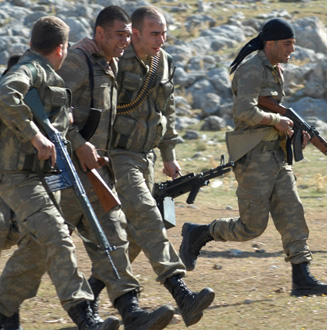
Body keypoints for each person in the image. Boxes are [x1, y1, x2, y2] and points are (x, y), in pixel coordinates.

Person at [73, 6, 215, 327]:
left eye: (164, 33)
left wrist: (169, 153)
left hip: (146, 155)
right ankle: (181, 292)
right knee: (148, 217)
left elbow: (168, 108)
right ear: (134, 33)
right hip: (118, 156)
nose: (161, 40)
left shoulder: (162, 61)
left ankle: (90, 296)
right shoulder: (115, 59)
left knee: (137, 234)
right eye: (154, 33)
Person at [179, 18, 327, 297]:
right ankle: (199, 233)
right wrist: (277, 120)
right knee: (251, 227)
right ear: (270, 43)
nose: (292, 49)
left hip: (276, 155)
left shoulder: (275, 69)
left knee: (293, 214)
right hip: (253, 157)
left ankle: (302, 278)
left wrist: (293, 135)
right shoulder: (252, 69)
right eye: (287, 44)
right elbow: (244, 112)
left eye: (293, 44)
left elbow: (273, 118)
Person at [57, 6, 174, 329]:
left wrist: (169, 152)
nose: (125, 41)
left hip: (102, 169)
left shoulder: (125, 63)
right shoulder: (82, 61)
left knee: (114, 237)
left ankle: (130, 311)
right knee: (41, 248)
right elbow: (51, 106)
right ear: (100, 34)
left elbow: (166, 109)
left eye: (127, 34)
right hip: (68, 171)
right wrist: (79, 143)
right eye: (120, 34)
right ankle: (6, 310)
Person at [0, 16, 120, 330]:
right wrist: (34, 136)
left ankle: (3, 310)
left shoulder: (47, 74)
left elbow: (59, 130)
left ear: (31, 42)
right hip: (20, 176)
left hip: (44, 177)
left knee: (37, 248)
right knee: (58, 237)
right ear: (62, 48)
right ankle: (85, 316)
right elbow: (6, 95)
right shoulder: (30, 69)